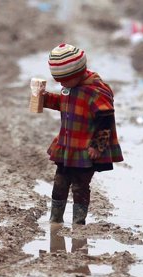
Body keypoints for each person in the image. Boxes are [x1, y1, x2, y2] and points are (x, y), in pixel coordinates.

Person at [39, 44, 123, 225]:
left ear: (78, 73)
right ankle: (55, 219)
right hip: (68, 146)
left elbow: (106, 118)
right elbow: (64, 103)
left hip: (85, 149)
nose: (61, 84)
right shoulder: (71, 86)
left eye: (64, 80)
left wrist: (97, 145)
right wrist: (44, 98)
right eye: (59, 81)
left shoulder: (95, 91)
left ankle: (78, 221)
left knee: (80, 185)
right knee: (60, 182)